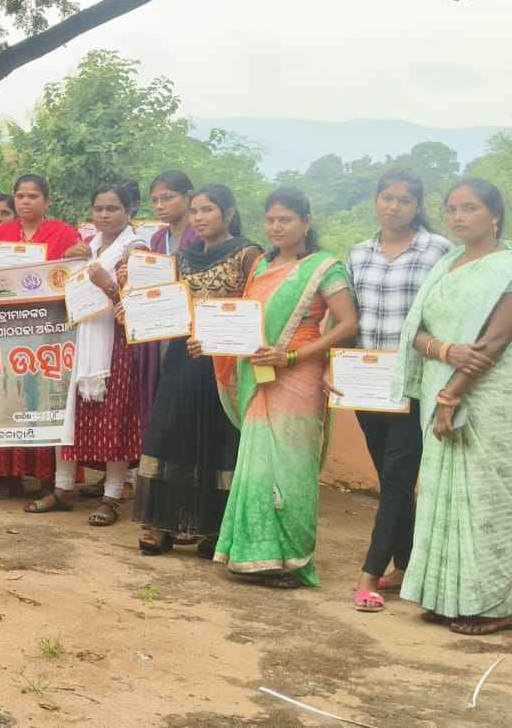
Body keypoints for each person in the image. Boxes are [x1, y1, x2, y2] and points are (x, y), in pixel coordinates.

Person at [213, 189, 357, 587]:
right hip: (260, 372)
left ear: (306, 222)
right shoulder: (261, 264)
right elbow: (245, 322)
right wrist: (210, 342)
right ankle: (253, 555)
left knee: (291, 467)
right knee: (258, 465)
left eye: (286, 220)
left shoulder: (325, 268)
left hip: (298, 376)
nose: (276, 227)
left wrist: (291, 357)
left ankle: (291, 560)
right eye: (271, 220)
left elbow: (347, 323)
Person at [395, 178, 512, 635]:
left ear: (495, 215)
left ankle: (496, 603)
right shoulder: (445, 264)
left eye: (471, 208)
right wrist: (445, 352)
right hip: (440, 382)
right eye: (452, 209)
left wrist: (452, 394)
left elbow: (493, 343)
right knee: (440, 492)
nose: (459, 217)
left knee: (485, 497)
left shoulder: (506, 267)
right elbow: (416, 331)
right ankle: (448, 596)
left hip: (486, 397)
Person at [132, 185, 261, 558]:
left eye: (208, 210)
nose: (199, 218)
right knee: (170, 432)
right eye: (194, 211)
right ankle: (161, 524)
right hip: (182, 357)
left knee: (218, 439)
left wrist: (219, 341)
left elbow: (258, 308)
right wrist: (135, 312)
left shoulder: (248, 254)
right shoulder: (183, 258)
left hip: (224, 363)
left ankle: (214, 529)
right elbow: (166, 305)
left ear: (229, 213)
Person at [345, 171, 452, 612]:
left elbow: (447, 313)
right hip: (366, 384)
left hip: (414, 383)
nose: (394, 207)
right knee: (393, 480)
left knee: (396, 480)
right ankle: (406, 566)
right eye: (387, 198)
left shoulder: (439, 250)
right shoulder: (358, 253)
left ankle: (368, 575)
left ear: (417, 205)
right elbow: (350, 318)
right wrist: (338, 367)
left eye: (404, 200)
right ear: (376, 200)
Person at [28, 182, 146, 523]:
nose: (104, 215)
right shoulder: (87, 246)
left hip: (116, 343)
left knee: (114, 417)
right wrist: (70, 263)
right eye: (99, 209)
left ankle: (112, 496)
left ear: (129, 211)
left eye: (112, 208)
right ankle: (63, 488)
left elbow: (141, 303)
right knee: (67, 413)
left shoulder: (136, 248)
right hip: (79, 338)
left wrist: (106, 284)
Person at [0, 175, 89, 497]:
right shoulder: (0, 234)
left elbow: (78, 274)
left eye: (33, 196)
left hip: (50, 332)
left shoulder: (64, 233)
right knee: (9, 397)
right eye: (20, 196)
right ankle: (8, 477)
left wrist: (81, 254)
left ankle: (47, 480)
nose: (25, 201)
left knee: (44, 397)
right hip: (9, 329)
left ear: (47, 201)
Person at [132, 172, 199, 461]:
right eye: (155, 200)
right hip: (158, 332)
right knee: (159, 399)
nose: (160, 206)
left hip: (191, 334)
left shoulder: (200, 235)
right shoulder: (158, 238)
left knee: (186, 402)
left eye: (168, 198)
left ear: (188, 197)